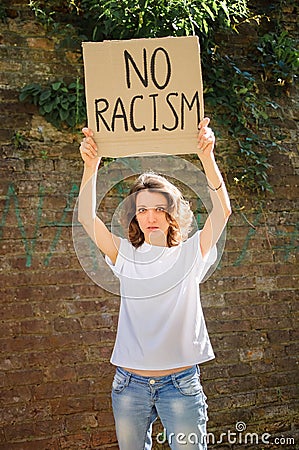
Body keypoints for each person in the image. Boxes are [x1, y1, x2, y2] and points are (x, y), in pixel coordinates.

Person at [78, 117, 231, 449]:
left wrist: (207, 155)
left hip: (181, 385)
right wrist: (92, 165)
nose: (150, 216)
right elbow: (86, 219)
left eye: (159, 209)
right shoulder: (124, 255)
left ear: (172, 213)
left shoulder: (193, 252)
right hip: (129, 385)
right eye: (142, 209)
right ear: (134, 215)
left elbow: (223, 211)